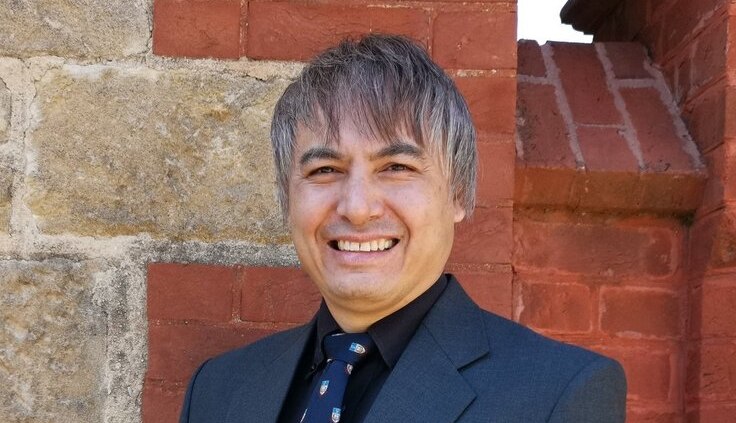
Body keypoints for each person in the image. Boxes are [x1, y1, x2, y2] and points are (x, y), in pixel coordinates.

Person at [179, 34, 626, 423]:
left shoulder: (558, 395)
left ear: (458, 193)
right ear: (286, 198)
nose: (356, 208)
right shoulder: (217, 390)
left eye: (396, 166)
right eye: (324, 170)